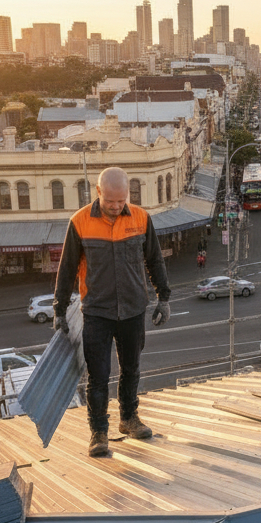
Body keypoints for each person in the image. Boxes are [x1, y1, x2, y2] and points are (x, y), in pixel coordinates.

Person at [54, 167, 171, 458]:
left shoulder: (142, 219)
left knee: (131, 369)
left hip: (133, 309)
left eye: (121, 201)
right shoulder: (79, 222)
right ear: (98, 193)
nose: (117, 207)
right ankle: (98, 433)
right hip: (97, 312)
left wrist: (163, 298)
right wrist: (59, 309)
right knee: (98, 376)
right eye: (110, 202)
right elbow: (67, 269)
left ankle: (129, 419)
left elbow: (155, 259)